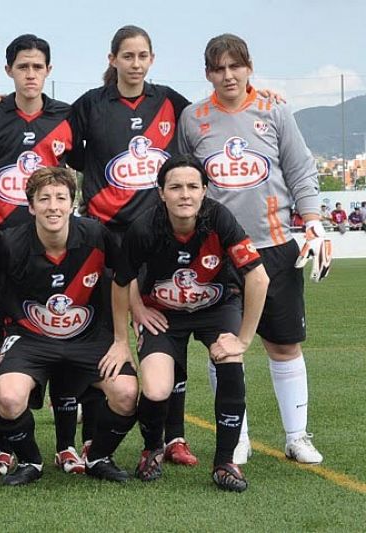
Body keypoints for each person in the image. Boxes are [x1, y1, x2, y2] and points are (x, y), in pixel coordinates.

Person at [179, 33, 329, 465]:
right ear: (208, 74)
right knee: (225, 345)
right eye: (218, 68)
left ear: (248, 67)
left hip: (275, 244)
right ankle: (237, 435)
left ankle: (297, 436)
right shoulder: (193, 118)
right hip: (218, 253)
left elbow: (300, 169)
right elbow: (184, 177)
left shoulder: (275, 108)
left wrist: (314, 222)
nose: (228, 75)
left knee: (283, 346)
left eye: (235, 66)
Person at [67, 25, 198, 467]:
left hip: (157, 237)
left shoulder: (170, 102)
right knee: (103, 333)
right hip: (105, 233)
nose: (136, 63)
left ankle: (173, 436)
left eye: (143, 55)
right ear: (113, 60)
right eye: (128, 56)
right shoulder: (90, 104)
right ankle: (91, 436)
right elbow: (61, 144)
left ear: (152, 59)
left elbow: (208, 121)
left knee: (166, 331)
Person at [116, 154, 269, 491]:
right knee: (156, 389)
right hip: (163, 311)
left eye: (191, 186)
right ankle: (153, 447)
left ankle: (224, 461)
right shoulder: (144, 227)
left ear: (204, 191)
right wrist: (135, 312)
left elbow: (259, 279)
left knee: (230, 358)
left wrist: (243, 340)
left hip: (216, 305)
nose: (184, 194)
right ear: (161, 193)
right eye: (175, 187)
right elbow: (121, 278)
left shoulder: (221, 219)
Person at [0, 33, 80, 476]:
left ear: (48, 71)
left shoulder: (67, 116)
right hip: (5, 246)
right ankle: (6, 445)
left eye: (38, 67)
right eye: (22, 67)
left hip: (57, 247)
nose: (30, 74)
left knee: (65, 332)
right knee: (4, 348)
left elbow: (82, 160)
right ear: (8, 70)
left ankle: (67, 443)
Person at [0, 166, 138, 486]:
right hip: (30, 337)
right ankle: (30, 460)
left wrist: (122, 339)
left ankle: (98, 456)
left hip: (88, 336)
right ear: (31, 206)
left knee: (127, 394)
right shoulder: (9, 243)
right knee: (10, 399)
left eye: (60, 198)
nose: (53, 206)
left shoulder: (97, 235)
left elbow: (124, 279)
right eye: (44, 199)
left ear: (72, 203)